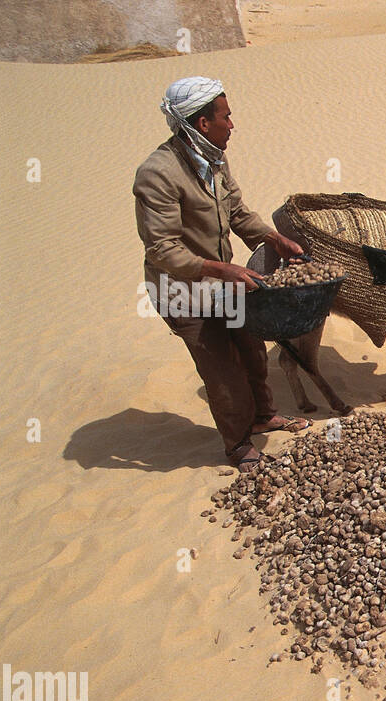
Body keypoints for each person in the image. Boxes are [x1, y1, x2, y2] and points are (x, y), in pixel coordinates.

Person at [134, 76, 308, 474]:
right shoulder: (156, 174)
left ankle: (263, 415)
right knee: (222, 368)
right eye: (226, 117)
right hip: (182, 292)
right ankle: (238, 446)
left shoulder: (214, 157)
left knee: (250, 349)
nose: (233, 125)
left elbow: (237, 211)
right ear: (202, 123)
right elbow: (162, 250)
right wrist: (225, 269)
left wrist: (273, 238)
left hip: (223, 283)